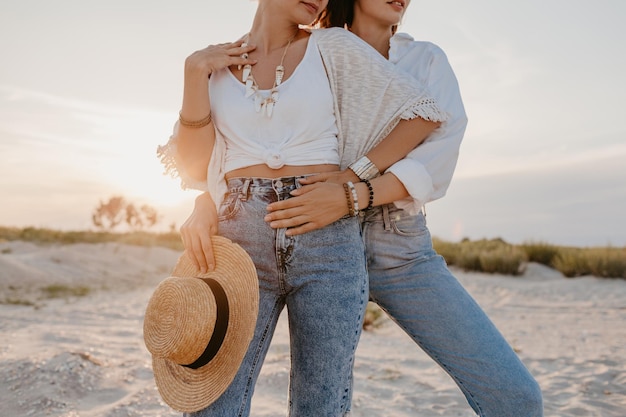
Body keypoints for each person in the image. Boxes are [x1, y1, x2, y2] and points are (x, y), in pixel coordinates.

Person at [178, 1, 544, 416]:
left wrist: (354, 187)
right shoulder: (293, 50)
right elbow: (228, 151)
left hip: (392, 244)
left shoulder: (415, 59)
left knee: (515, 396)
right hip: (284, 231)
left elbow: (434, 139)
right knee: (218, 398)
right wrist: (206, 199)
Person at [157, 0, 446, 415]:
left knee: (321, 404)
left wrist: (352, 179)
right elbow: (196, 167)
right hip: (240, 242)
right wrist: (193, 73)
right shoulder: (215, 65)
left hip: (327, 241)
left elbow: (423, 114)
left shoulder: (334, 47)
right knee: (214, 404)